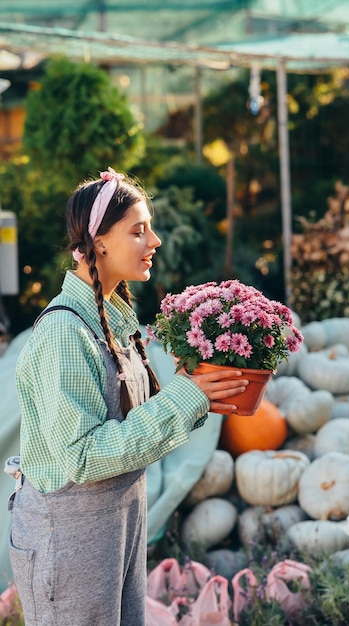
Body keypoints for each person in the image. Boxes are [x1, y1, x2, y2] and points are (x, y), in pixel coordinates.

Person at [7, 167, 249, 626]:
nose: (154, 240)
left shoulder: (113, 319)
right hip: (70, 538)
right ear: (98, 242)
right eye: (139, 231)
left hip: (114, 528)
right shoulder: (65, 331)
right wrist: (185, 398)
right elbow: (84, 456)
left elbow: (133, 423)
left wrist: (197, 393)